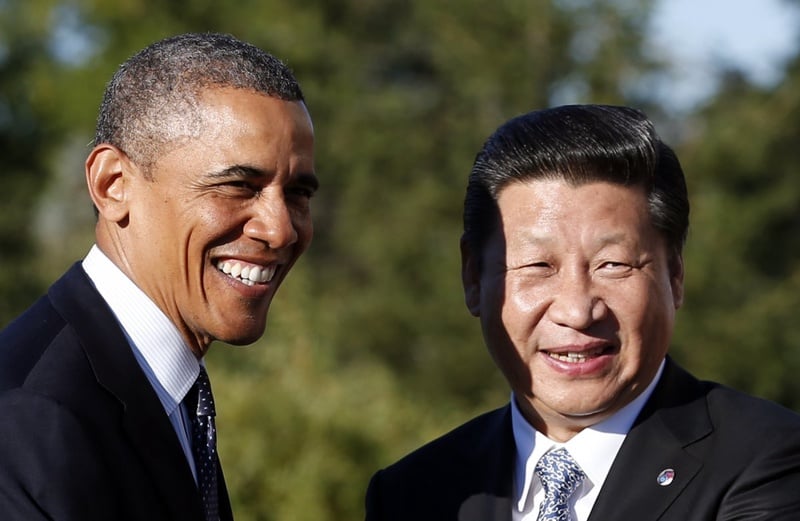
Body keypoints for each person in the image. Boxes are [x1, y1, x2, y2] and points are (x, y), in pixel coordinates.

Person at [365, 104, 800, 520]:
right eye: (538, 266)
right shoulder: (415, 492)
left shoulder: (767, 460)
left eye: (613, 265)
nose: (577, 311)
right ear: (474, 278)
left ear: (675, 275)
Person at [0, 32, 318, 521]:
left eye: (298, 193)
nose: (279, 229)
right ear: (112, 185)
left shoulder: (159, 392)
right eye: (238, 186)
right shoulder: (30, 422)